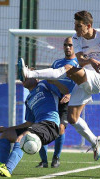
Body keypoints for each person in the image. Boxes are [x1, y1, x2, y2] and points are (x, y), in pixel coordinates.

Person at [19, 10, 100, 161]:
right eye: (75, 25)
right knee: (72, 118)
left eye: (79, 26)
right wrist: (91, 61)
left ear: (88, 25)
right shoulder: (76, 38)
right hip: (85, 78)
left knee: (68, 69)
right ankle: (94, 141)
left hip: (99, 78)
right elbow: (79, 60)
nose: (75, 29)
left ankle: (29, 74)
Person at [0, 71, 65, 177]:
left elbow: (63, 91)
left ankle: (8, 169)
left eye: (27, 75)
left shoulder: (44, 84)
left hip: (50, 125)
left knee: (22, 137)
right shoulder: (28, 99)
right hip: (37, 126)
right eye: (22, 77)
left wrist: (64, 91)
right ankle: (1, 165)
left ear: (36, 78)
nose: (23, 78)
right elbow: (29, 123)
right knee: (6, 135)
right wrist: (8, 128)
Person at [36, 37, 78, 168]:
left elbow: (82, 85)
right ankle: (44, 161)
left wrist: (70, 94)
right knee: (42, 128)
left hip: (67, 102)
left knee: (60, 128)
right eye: (65, 45)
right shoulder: (57, 63)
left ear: (75, 46)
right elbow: (50, 79)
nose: (67, 47)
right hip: (52, 99)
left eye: (70, 45)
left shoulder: (79, 64)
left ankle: (56, 157)